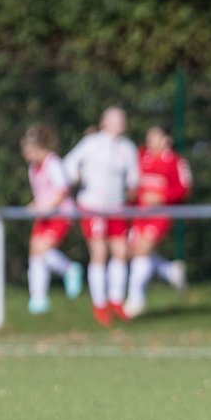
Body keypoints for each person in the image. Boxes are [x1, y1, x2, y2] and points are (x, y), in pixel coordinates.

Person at [63, 106, 141, 326]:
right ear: (104, 122)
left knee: (121, 251)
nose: (121, 123)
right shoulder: (92, 143)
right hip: (92, 206)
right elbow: (69, 165)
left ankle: (116, 300)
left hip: (116, 206)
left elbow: (134, 180)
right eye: (116, 119)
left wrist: (129, 194)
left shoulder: (127, 148)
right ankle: (100, 304)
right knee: (99, 252)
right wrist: (76, 176)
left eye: (122, 119)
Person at [124, 125, 193, 318]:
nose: (150, 140)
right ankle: (170, 270)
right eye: (149, 136)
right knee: (134, 251)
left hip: (160, 215)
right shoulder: (140, 157)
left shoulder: (176, 161)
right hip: (139, 215)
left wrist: (162, 196)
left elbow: (184, 188)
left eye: (155, 136)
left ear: (166, 140)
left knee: (142, 250)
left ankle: (136, 299)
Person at [21, 124, 83, 313]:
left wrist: (46, 207)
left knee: (43, 249)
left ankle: (69, 269)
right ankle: (38, 298)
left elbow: (62, 191)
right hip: (45, 214)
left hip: (60, 214)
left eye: (30, 150)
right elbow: (42, 194)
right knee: (35, 252)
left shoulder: (53, 163)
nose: (27, 154)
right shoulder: (33, 168)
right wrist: (34, 205)